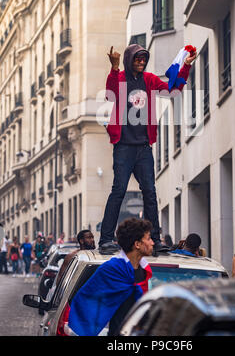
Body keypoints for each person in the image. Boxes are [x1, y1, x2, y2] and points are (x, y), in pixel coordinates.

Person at [98, 44, 196, 254]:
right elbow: (110, 94)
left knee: (150, 193)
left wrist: (185, 67)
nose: (141, 62)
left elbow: (173, 90)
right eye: (137, 59)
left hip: (143, 146)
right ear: (129, 60)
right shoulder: (121, 77)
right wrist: (114, 68)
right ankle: (106, 239)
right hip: (123, 146)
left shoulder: (150, 80)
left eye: (144, 59)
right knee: (119, 191)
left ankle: (155, 240)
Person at [68, 218, 153, 336]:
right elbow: (83, 299)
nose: (152, 243)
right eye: (148, 239)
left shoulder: (145, 270)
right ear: (137, 244)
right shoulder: (111, 269)